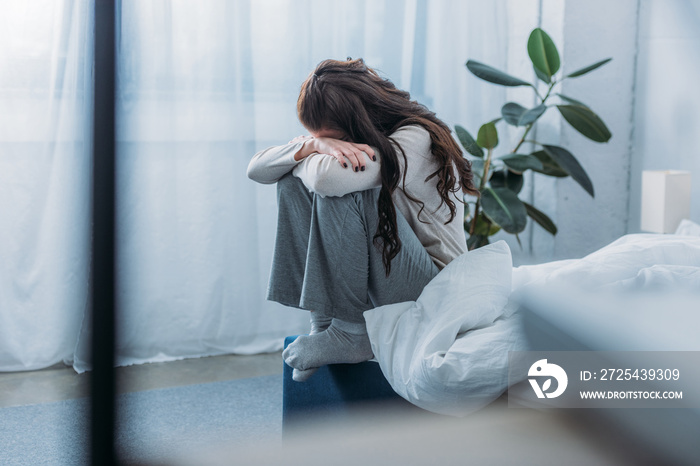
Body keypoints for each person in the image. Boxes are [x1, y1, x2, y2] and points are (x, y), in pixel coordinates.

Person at [247, 58, 478, 382]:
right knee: (290, 180)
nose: (332, 146)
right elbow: (257, 169)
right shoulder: (358, 139)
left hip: (434, 286)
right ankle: (326, 323)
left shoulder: (416, 138)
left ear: (357, 120)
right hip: (393, 274)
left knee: (353, 189)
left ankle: (351, 333)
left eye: (333, 138)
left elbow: (329, 181)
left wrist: (310, 153)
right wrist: (312, 146)